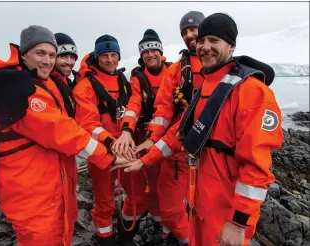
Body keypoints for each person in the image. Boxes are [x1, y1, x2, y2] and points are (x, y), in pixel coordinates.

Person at [111, 13, 283, 246]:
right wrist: (145, 159)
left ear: (231, 46)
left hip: (225, 210)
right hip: (199, 200)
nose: (204, 46)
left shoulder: (253, 92)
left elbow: (256, 167)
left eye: (214, 40)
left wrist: (239, 222)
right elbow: (179, 134)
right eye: (201, 41)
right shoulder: (207, 88)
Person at [0, 25, 128, 246]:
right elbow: (62, 131)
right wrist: (109, 158)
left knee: (61, 234)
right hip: (34, 196)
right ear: (24, 55)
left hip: (50, 187)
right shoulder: (21, 91)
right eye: (40, 53)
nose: (48, 61)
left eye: (52, 54)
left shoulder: (43, 83)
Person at [130, 11, 205, 245]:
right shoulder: (174, 71)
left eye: (194, 30)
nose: (190, 35)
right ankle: (180, 235)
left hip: (208, 154)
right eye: (185, 32)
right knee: (168, 201)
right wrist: (151, 139)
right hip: (176, 149)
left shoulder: (222, 69)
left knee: (201, 206)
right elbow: (162, 112)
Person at [73, 34, 147, 246]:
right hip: (102, 153)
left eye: (114, 55)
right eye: (104, 55)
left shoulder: (125, 82)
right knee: (104, 202)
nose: (109, 60)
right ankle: (104, 239)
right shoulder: (85, 87)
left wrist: (126, 135)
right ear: (97, 57)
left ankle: (125, 236)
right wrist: (111, 143)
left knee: (138, 198)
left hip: (127, 150)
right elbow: (87, 123)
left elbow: (133, 108)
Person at [111, 29, 172, 245]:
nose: (150, 54)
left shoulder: (174, 72)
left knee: (159, 188)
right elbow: (134, 103)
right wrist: (127, 130)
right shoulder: (137, 78)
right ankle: (126, 232)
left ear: (161, 51)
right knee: (135, 190)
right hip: (141, 138)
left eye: (154, 49)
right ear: (141, 55)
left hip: (168, 141)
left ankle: (160, 227)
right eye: (145, 51)